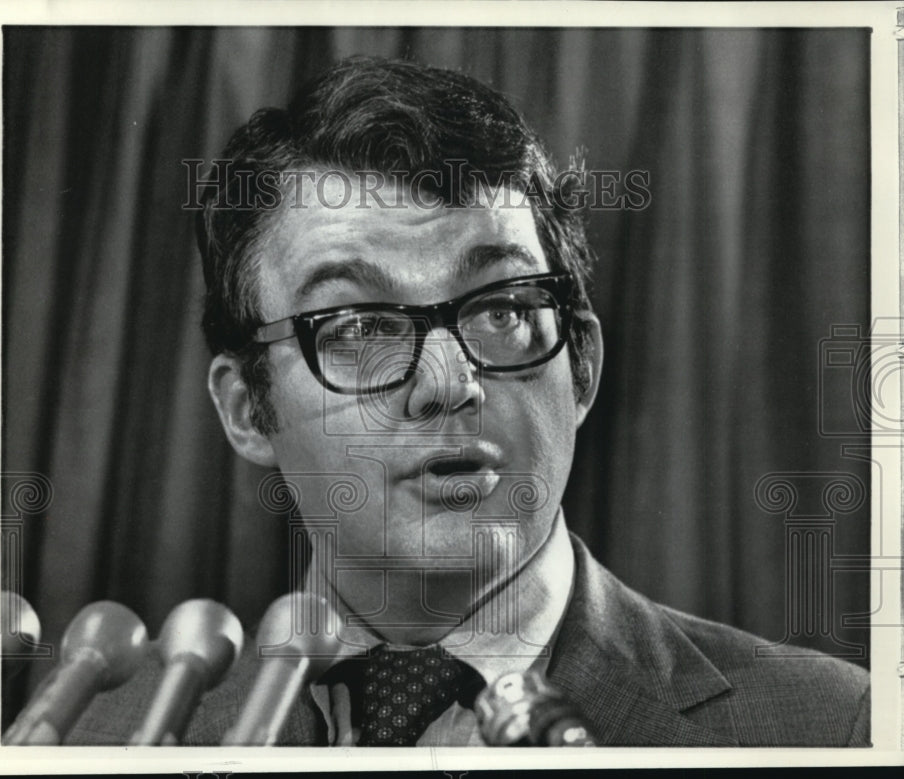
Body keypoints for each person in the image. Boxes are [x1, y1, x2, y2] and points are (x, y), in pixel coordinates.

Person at [65, 56, 869, 747]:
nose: (449, 382)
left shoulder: (830, 724)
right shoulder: (106, 733)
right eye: (357, 324)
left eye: (502, 310)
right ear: (247, 408)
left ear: (581, 364)